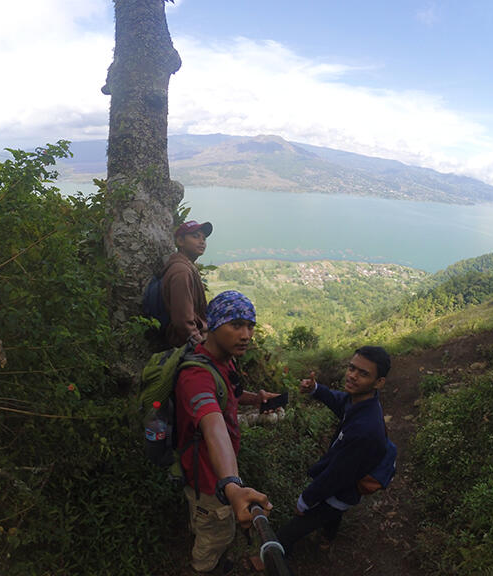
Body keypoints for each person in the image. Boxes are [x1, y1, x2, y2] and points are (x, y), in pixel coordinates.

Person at [174, 290, 279, 574]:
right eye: (236, 325)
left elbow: (229, 394)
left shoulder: (222, 358)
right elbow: (213, 425)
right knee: (215, 533)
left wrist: (256, 398)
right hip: (208, 479)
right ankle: (203, 567)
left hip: (215, 468)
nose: (246, 334)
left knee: (209, 524)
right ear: (215, 324)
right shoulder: (195, 376)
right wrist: (231, 485)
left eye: (250, 325)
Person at [276, 346, 390, 557]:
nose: (353, 376)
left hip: (341, 488)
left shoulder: (365, 429)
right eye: (352, 368)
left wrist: (306, 499)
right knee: (335, 512)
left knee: (288, 533)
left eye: (363, 373)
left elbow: (337, 476)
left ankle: (273, 559)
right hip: (343, 486)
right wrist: (316, 389)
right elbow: (340, 402)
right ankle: (327, 539)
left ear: (379, 382)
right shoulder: (360, 401)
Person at [162, 220, 212, 348]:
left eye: (204, 238)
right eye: (195, 236)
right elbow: (183, 321)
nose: (202, 241)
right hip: (187, 345)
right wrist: (200, 347)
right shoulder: (181, 271)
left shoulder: (187, 267)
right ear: (180, 241)